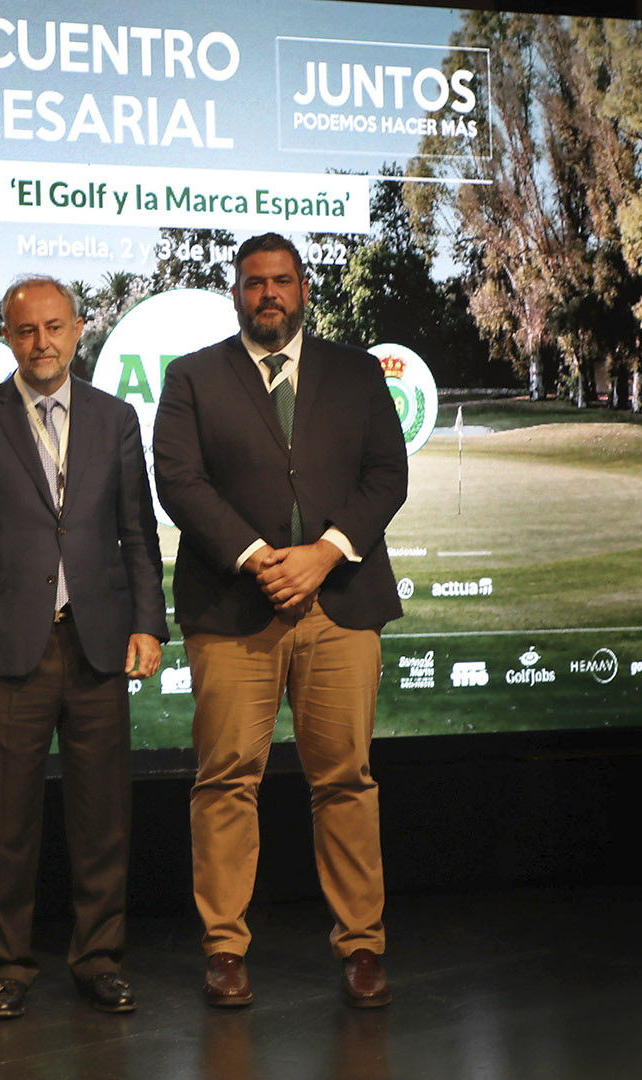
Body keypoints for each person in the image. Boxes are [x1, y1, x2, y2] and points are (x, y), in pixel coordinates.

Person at [151, 232, 409, 1010]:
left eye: (282, 282)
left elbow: (386, 476)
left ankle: (362, 947)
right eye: (255, 282)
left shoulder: (357, 373)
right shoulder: (193, 376)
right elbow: (179, 483)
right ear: (235, 292)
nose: (269, 294)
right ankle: (225, 950)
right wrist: (262, 557)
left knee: (346, 781)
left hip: (341, 603)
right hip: (234, 610)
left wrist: (322, 555)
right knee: (226, 779)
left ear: (304, 290)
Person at [0, 276, 167, 1020]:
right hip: (11, 646)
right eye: (24, 330)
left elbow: (137, 530)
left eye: (53, 327)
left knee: (102, 816)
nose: (41, 342)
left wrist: (148, 622)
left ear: (79, 330)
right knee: (6, 821)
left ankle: (99, 959)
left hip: (99, 642)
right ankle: (10, 965)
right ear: (7, 337)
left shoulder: (115, 417)